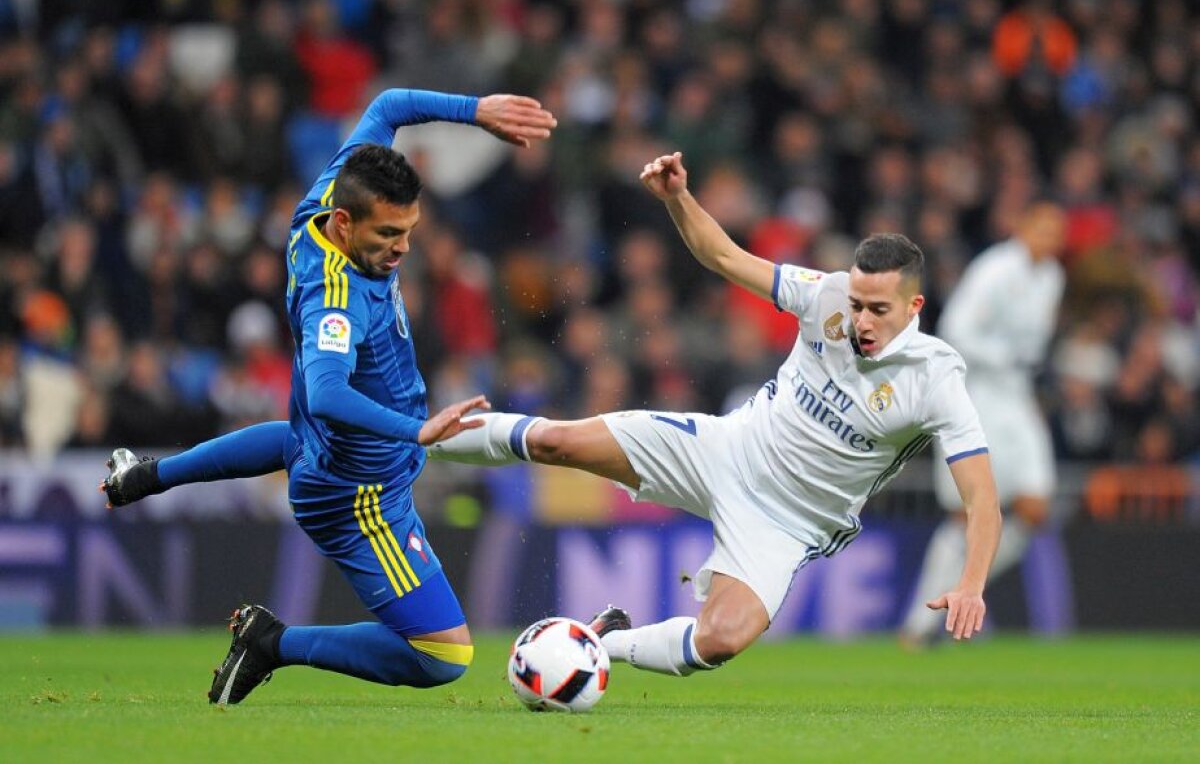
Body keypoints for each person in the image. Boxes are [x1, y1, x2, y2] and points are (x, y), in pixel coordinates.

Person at [427, 151, 1002, 677]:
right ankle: (412, 438)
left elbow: (982, 500)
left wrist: (971, 583)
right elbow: (723, 255)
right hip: (725, 449)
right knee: (558, 441)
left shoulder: (937, 380)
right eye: (857, 305)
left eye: (879, 310)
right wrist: (678, 198)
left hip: (789, 522)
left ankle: (594, 642)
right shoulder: (823, 294)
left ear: (914, 306)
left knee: (718, 641)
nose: (862, 322)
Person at [101, 88, 556, 704]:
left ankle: (148, 476)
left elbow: (390, 105)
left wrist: (475, 113)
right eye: (389, 234)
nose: (402, 248)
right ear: (346, 224)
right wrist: (414, 431)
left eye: (411, 230)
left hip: (333, 454)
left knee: (296, 443)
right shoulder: (334, 300)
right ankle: (272, 643)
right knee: (444, 654)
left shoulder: (323, 201)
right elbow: (326, 393)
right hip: (360, 495)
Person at [900, 200, 1065, 647]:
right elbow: (954, 328)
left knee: (1035, 509)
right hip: (977, 395)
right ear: (1023, 226)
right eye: (1043, 228)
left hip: (1018, 398)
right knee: (964, 515)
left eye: (1057, 231)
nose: (1050, 239)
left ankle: (964, 592)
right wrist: (1004, 358)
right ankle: (919, 624)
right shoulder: (994, 271)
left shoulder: (1052, 277)